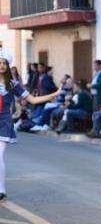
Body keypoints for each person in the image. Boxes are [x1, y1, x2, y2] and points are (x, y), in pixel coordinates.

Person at [0, 52, 62, 201]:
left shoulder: (12, 84)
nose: (1, 65)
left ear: (8, 66)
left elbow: (33, 100)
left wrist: (53, 94)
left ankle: (1, 190)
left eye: (4, 63)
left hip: (4, 123)